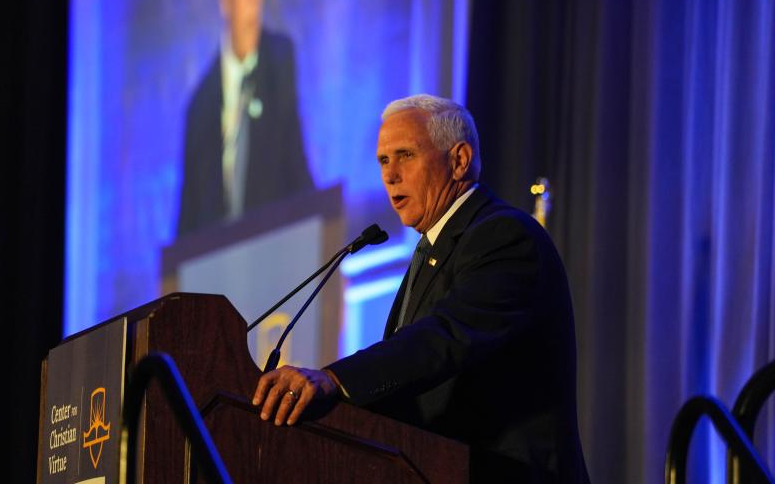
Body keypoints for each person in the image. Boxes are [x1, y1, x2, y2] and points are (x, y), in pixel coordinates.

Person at [253, 95, 590, 482]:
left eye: (405, 155)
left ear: (459, 160)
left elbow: (444, 338)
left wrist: (335, 380)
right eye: (383, 160)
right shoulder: (431, 250)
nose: (390, 175)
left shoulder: (505, 236)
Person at [177, 0, 313, 236]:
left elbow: (298, 176)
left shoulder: (281, 61)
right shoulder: (199, 107)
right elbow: (187, 225)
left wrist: (326, 247)